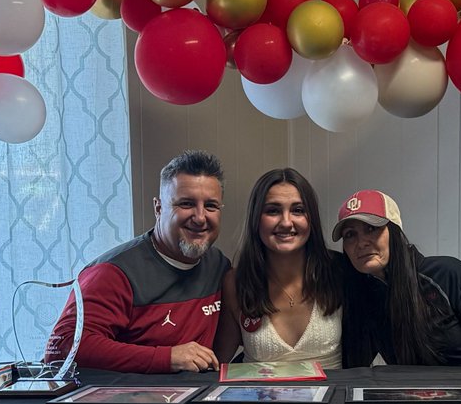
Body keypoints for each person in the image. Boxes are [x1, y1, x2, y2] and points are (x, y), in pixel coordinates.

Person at [44, 150, 228, 372]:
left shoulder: (218, 266)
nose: (200, 217)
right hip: (130, 393)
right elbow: (61, 349)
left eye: (211, 206)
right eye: (186, 204)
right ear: (158, 208)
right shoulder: (113, 273)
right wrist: (166, 358)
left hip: (201, 390)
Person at [333, 189, 461, 368]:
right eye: (350, 235)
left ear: (394, 231)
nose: (361, 243)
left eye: (371, 228)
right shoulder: (362, 297)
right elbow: (355, 369)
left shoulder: (448, 275)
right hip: (411, 393)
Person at [214, 167, 343, 368]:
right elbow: (216, 365)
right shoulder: (235, 283)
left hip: (335, 389)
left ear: (312, 219)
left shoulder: (338, 270)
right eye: (273, 211)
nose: (286, 222)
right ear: (256, 219)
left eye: (298, 210)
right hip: (259, 390)